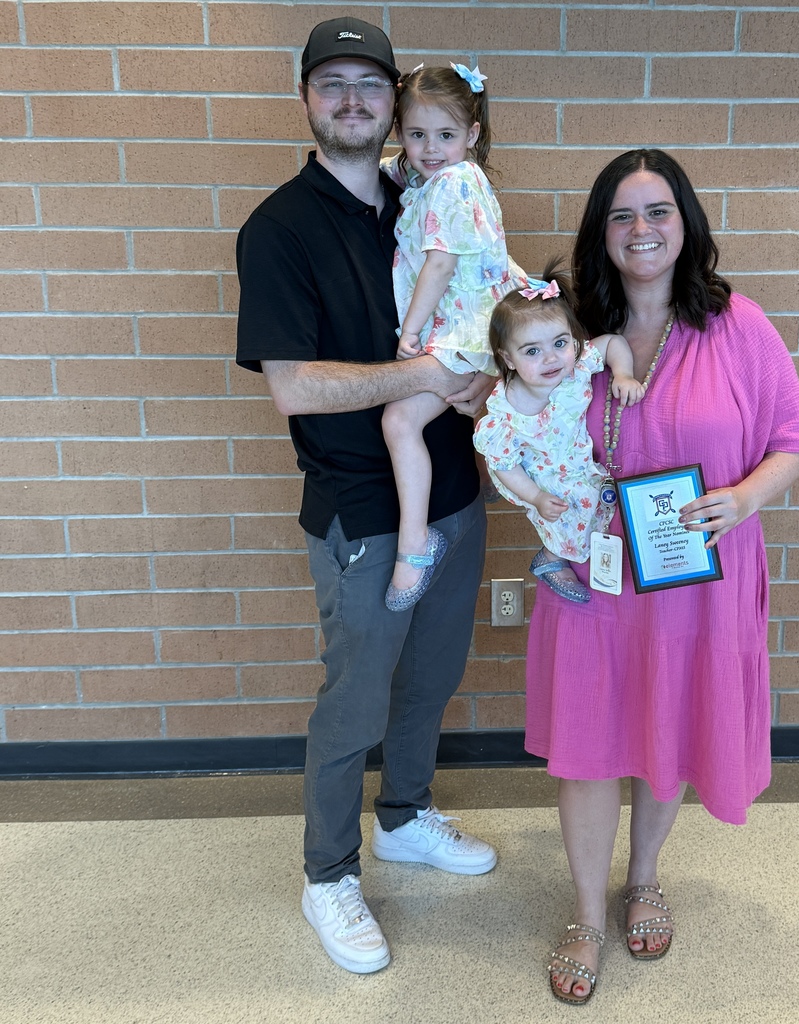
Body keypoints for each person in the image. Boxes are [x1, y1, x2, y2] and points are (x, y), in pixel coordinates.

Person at [526, 149, 799, 1004]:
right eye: (622, 216)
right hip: (591, 572)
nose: (641, 230)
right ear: (601, 233)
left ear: (685, 222)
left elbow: (795, 442)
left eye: (657, 211)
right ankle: (586, 911)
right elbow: (511, 415)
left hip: (698, 575)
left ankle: (644, 878)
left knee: (671, 722)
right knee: (588, 743)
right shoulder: (568, 327)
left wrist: (740, 500)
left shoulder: (739, 326)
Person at [234, 18, 497, 977]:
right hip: (362, 509)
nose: (352, 98)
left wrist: (483, 375)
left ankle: (405, 816)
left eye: (368, 83)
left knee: (431, 677)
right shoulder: (279, 228)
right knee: (357, 699)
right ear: (307, 97)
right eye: (331, 81)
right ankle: (328, 871)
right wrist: (426, 372)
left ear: (397, 100)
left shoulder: (427, 192)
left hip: (454, 488)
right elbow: (294, 387)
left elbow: (479, 312)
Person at [380, 64, 527, 611]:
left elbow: (439, 266)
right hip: (474, 324)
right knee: (481, 417)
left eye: (446, 136)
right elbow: (398, 170)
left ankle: (415, 545)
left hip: (460, 329)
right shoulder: (440, 177)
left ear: (473, 134)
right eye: (416, 135)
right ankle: (493, 471)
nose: (430, 148)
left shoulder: (454, 182)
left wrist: (411, 332)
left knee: (398, 420)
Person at [473, 261, 645, 603]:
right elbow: (505, 465)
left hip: (573, 460)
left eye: (560, 343)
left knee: (595, 500)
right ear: (508, 359)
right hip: (534, 473)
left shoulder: (575, 367)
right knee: (564, 509)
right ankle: (551, 558)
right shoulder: (504, 416)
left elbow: (612, 343)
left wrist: (624, 374)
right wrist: (535, 496)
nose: (551, 359)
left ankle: (574, 553)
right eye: (532, 351)